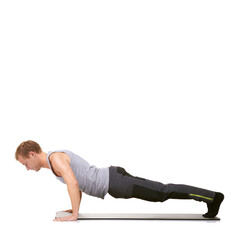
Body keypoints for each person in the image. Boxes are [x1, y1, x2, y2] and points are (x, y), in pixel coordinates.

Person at [15, 140, 224, 222]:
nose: (27, 168)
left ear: (32, 154)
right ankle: (211, 197)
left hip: (116, 182)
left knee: (161, 192)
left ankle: (212, 197)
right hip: (114, 180)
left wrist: (75, 215)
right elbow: (75, 184)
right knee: (160, 192)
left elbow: (74, 184)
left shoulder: (55, 158)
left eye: (25, 163)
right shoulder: (54, 163)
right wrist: (73, 208)